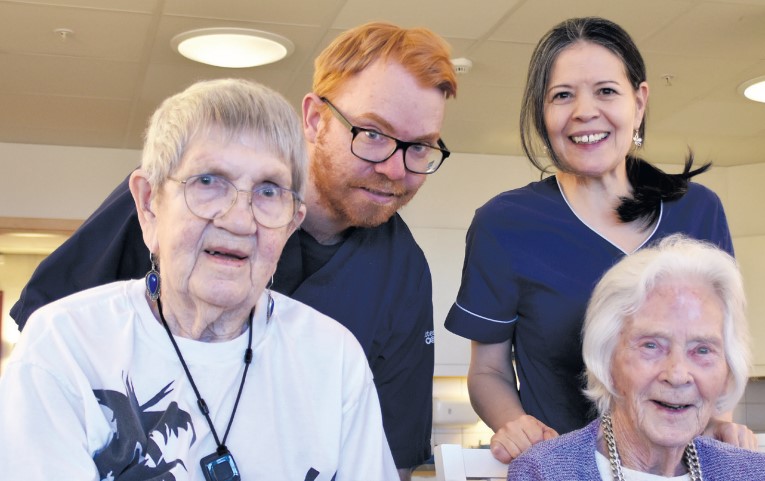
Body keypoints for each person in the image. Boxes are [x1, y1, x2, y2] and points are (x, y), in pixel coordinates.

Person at [9, 22, 457, 479]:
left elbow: (390, 452)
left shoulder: (391, 287)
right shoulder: (173, 203)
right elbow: (51, 367)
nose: (395, 170)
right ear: (315, 119)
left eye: (420, 147)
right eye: (373, 134)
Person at [444, 16, 755, 463]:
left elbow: (718, 352)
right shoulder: (505, 224)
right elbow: (487, 372)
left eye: (606, 91)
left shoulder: (699, 211)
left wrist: (720, 421)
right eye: (562, 95)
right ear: (541, 112)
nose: (584, 111)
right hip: (564, 468)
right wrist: (518, 427)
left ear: (639, 102)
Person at [506, 235, 765, 480]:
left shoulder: (751, 473)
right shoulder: (544, 472)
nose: (677, 375)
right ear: (607, 360)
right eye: (651, 346)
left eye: (702, 350)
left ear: (727, 370)